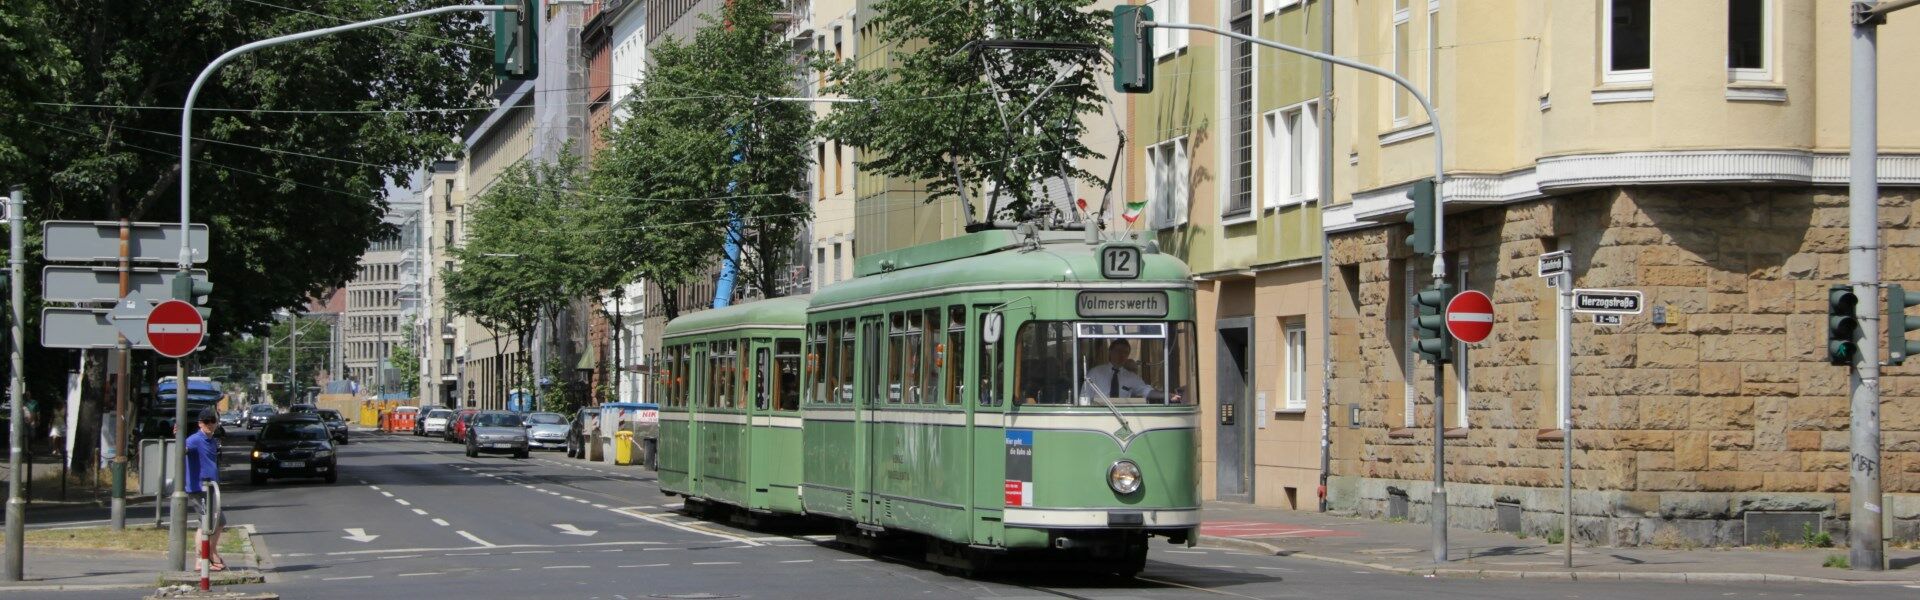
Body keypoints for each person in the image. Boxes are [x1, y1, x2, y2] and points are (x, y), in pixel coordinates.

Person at [184, 408, 226, 572]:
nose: (210, 424)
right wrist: (178, 439)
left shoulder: (212, 440)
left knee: (219, 521)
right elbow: (184, 448)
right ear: (200, 423)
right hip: (199, 488)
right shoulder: (194, 439)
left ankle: (210, 553)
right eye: (206, 421)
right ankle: (201, 559)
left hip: (210, 487)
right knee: (205, 522)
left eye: (212, 421)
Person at [1079, 339, 1158, 404]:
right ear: (1110, 351)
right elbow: (1084, 398)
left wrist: (1166, 395)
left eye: (1125, 352)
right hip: (1099, 414)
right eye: (1118, 351)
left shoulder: (1131, 377)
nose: (1122, 355)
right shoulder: (1095, 372)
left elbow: (1146, 391)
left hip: (1122, 415)